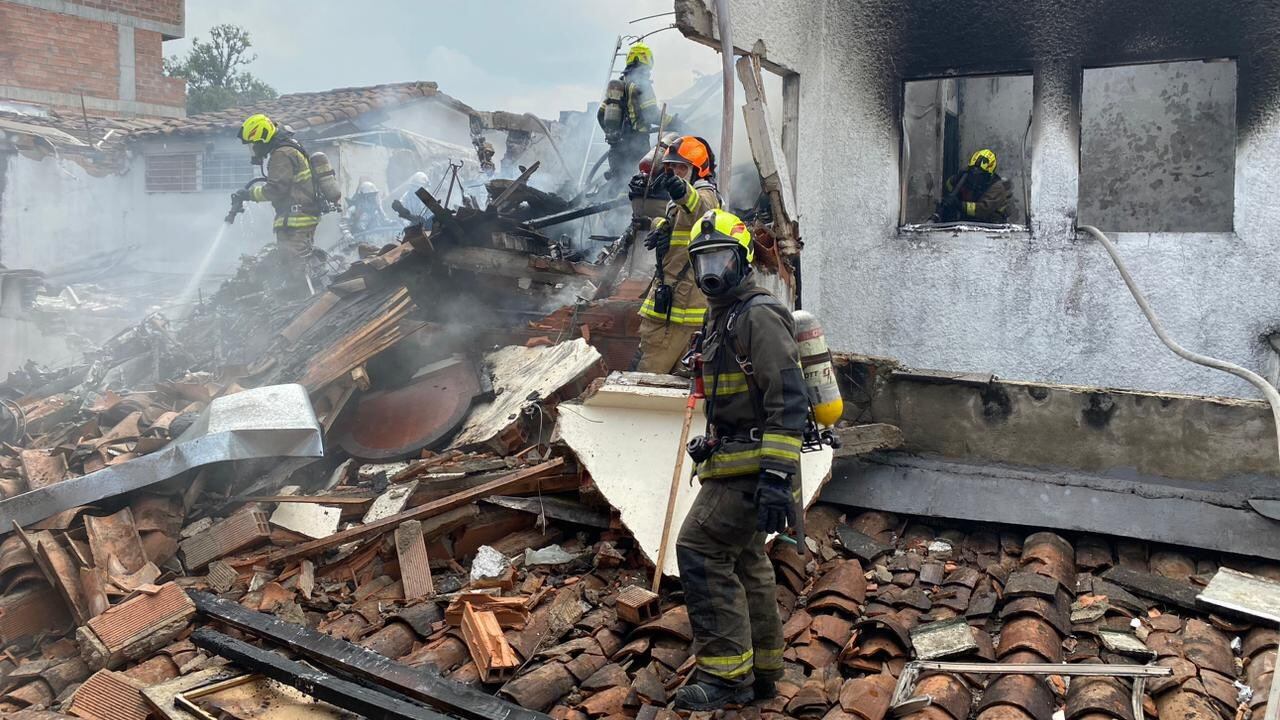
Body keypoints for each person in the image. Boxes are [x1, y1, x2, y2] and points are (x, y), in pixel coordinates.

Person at [673, 208, 807, 711]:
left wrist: (775, 476)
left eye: (722, 259)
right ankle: (763, 672)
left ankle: (725, 676)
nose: (712, 271)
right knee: (747, 560)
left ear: (743, 259)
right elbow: (734, 396)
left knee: (700, 548)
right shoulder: (722, 313)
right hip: (734, 459)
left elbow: (787, 400)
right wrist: (711, 442)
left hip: (754, 467)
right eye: (703, 260)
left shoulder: (757, 314)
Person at [633, 135, 720, 374]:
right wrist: (659, 226)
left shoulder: (705, 195)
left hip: (676, 314)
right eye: (671, 166)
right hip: (674, 308)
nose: (675, 172)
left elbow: (700, 208)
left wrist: (682, 191)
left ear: (698, 170)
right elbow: (682, 225)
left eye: (682, 167)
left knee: (645, 382)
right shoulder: (677, 203)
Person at [231, 114, 324, 266]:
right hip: (298, 217)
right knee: (297, 264)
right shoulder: (288, 148)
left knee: (294, 267)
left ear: (263, 139)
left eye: (253, 144)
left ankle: (307, 282)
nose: (253, 150)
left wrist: (249, 194)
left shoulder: (282, 154)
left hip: (296, 220)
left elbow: (276, 189)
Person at [598, 42, 667, 186]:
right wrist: (675, 122)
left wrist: (611, 134)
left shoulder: (618, 85)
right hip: (637, 146)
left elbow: (600, 115)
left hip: (616, 148)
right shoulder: (642, 84)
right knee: (637, 185)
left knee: (617, 184)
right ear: (648, 60)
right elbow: (652, 114)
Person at [932, 148, 1013, 223]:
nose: (975, 176)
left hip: (992, 226)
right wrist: (956, 179)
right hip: (970, 223)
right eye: (973, 171)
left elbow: (982, 210)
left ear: (989, 174)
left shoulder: (997, 188)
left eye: (980, 174)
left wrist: (959, 205)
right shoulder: (968, 178)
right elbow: (949, 186)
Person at [339, 179, 395, 245]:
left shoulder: (377, 209)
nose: (372, 198)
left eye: (374, 195)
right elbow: (344, 223)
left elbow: (384, 220)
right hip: (358, 241)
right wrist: (347, 234)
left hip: (377, 240)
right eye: (370, 196)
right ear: (363, 197)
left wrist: (391, 223)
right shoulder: (354, 209)